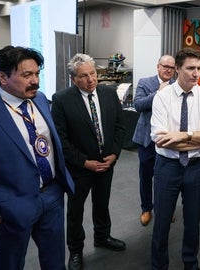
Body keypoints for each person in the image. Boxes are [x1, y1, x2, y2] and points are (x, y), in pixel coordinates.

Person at [0, 46, 75, 269]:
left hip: (52, 198)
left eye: (37, 73)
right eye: (27, 75)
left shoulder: (39, 100)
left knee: (56, 262)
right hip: (10, 210)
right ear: (3, 77)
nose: (35, 81)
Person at [150, 47, 200, 270]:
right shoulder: (162, 97)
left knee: (193, 222)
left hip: (196, 167)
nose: (196, 73)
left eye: (199, 68)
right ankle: (158, 265)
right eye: (190, 68)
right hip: (167, 167)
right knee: (162, 223)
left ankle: (190, 264)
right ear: (177, 70)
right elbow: (161, 139)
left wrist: (185, 135)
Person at [51, 53, 126, 270]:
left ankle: (102, 237)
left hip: (106, 164)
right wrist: (85, 162)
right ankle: (75, 251)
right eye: (84, 76)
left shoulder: (109, 94)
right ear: (74, 79)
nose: (91, 79)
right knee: (75, 212)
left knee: (102, 204)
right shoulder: (62, 100)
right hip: (80, 168)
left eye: (93, 73)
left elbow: (120, 127)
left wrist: (114, 154)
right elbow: (61, 140)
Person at [132, 54, 176, 226]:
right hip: (147, 140)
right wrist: (159, 93)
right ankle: (146, 208)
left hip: (168, 139)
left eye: (171, 68)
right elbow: (138, 105)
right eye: (165, 66)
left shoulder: (177, 86)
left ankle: (163, 209)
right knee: (146, 176)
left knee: (165, 177)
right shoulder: (145, 82)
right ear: (158, 66)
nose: (168, 70)